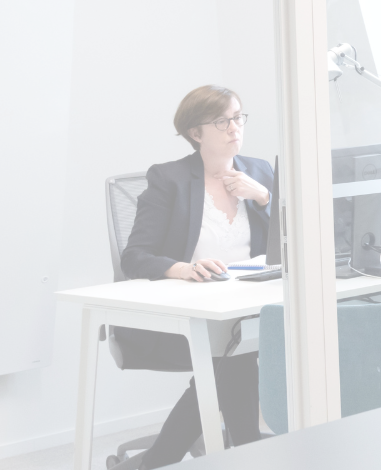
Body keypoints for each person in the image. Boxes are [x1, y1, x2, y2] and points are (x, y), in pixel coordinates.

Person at [120, 85, 273, 469]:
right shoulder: (169, 179)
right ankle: (248, 453)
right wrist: (183, 269)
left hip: (250, 307)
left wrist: (264, 198)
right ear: (195, 132)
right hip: (189, 315)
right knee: (232, 359)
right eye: (221, 121)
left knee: (231, 358)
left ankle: (155, 463)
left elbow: (291, 243)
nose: (234, 127)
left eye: (238, 117)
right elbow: (134, 257)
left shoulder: (259, 172)